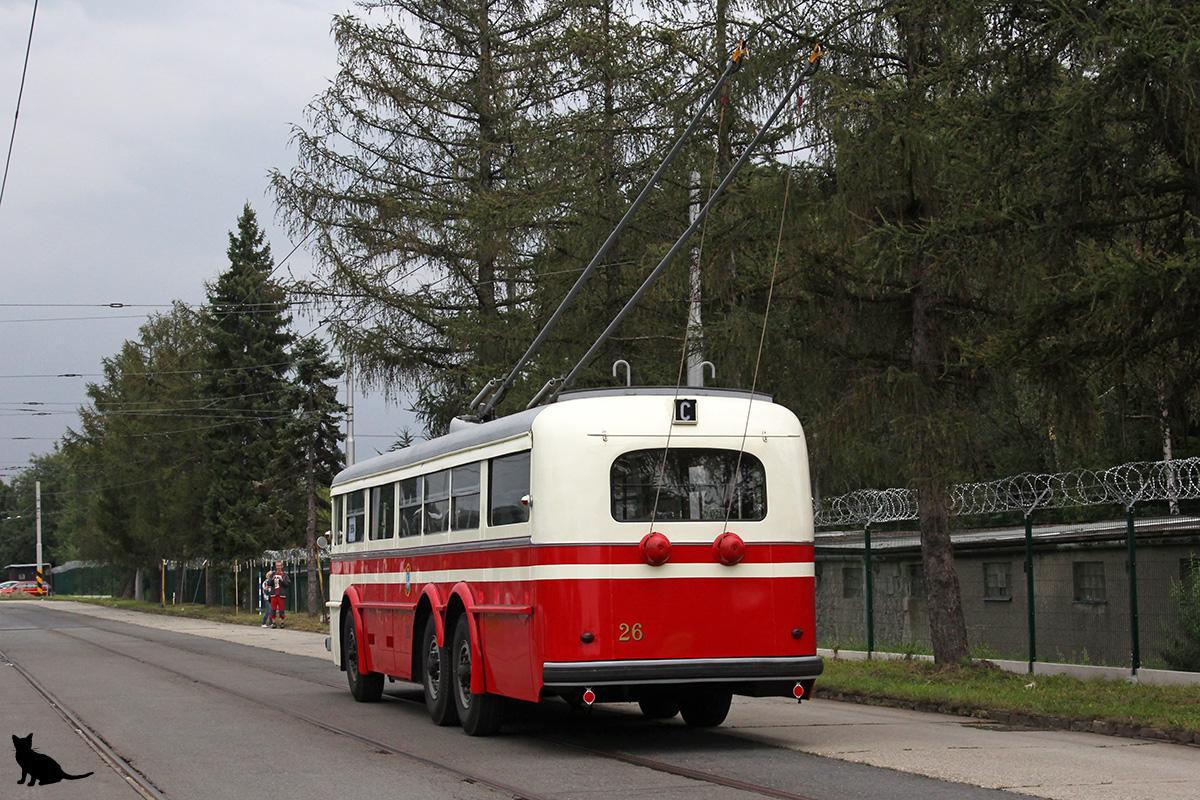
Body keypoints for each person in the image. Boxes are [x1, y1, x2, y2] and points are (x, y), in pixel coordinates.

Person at [267, 561, 291, 629]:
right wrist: (272, 579)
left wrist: (282, 580)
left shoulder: (285, 575)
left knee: (281, 609)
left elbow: (288, 584)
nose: (278, 567)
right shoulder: (272, 574)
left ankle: (282, 622)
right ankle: (273, 623)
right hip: (273, 594)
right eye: (277, 566)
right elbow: (269, 583)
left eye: (279, 566)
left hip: (281, 594)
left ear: (282, 566)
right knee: (273, 609)